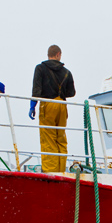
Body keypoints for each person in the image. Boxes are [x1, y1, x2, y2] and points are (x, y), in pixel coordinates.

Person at [29, 45, 76, 173]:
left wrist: (32, 105)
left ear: (49, 54)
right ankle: (61, 170)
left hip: (48, 104)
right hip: (62, 105)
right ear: (58, 54)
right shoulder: (66, 72)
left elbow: (36, 90)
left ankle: (51, 171)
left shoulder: (40, 68)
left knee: (48, 138)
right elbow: (71, 92)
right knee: (60, 138)